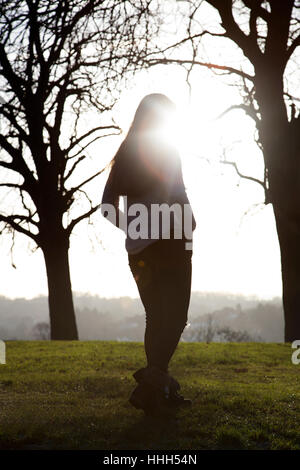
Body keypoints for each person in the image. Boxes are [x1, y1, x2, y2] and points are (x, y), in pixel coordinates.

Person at [101, 93, 196, 416]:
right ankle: (151, 383)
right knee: (176, 317)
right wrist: (189, 226)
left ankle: (159, 392)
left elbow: (106, 208)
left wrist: (134, 228)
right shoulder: (168, 149)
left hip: (139, 250)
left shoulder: (125, 154)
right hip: (172, 242)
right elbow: (178, 194)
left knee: (156, 317)